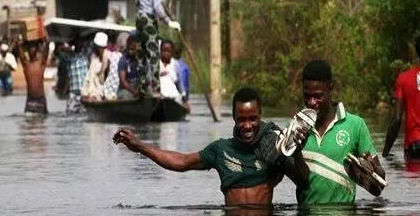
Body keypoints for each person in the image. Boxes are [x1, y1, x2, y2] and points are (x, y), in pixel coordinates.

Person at [113, 87, 309, 206]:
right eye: (241, 119)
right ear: (233, 118)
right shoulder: (221, 150)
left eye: (252, 118)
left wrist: (297, 151)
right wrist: (140, 146)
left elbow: (303, 182)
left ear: (260, 115)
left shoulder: (274, 149)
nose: (247, 125)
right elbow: (181, 161)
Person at [295, 59, 385, 205]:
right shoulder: (296, 129)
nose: (311, 102)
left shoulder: (355, 125)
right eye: (307, 96)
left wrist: (372, 170)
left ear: (331, 89)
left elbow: (378, 188)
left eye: (318, 96)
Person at [135, 0, 181, 98]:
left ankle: (143, 88)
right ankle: (155, 89)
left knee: (141, 54)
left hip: (139, 18)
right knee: (154, 55)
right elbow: (157, 6)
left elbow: (136, 0)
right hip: (149, 19)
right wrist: (169, 21)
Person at [17, 38, 49, 114]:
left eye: (33, 47)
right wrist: (19, 45)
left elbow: (46, 53)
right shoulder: (26, 64)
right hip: (30, 100)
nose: (31, 49)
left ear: (36, 49)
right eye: (29, 47)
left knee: (42, 123)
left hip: (40, 99)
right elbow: (21, 56)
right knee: (28, 123)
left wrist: (47, 43)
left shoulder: (41, 63)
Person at [158, 40, 190, 113]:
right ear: (160, 51)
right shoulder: (156, 63)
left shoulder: (175, 64)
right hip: (158, 98)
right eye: (163, 51)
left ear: (172, 53)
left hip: (173, 98)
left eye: (168, 51)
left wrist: (185, 101)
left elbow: (179, 84)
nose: (166, 53)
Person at [81, 32, 109, 103]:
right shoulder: (93, 57)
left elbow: (104, 81)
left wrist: (96, 96)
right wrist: (85, 93)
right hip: (92, 94)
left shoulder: (107, 58)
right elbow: (89, 76)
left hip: (101, 94)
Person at [65, 37, 89, 114]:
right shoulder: (69, 57)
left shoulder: (86, 56)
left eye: (80, 43)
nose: (78, 45)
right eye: (76, 43)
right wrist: (70, 43)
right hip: (73, 94)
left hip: (84, 93)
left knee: (84, 116)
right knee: (69, 115)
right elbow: (58, 52)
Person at [117, 36, 140, 100]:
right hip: (126, 89)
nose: (130, 51)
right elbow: (123, 81)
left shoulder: (139, 59)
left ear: (136, 48)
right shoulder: (123, 60)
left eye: (132, 49)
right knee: (126, 95)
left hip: (137, 87)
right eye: (129, 49)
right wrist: (134, 91)